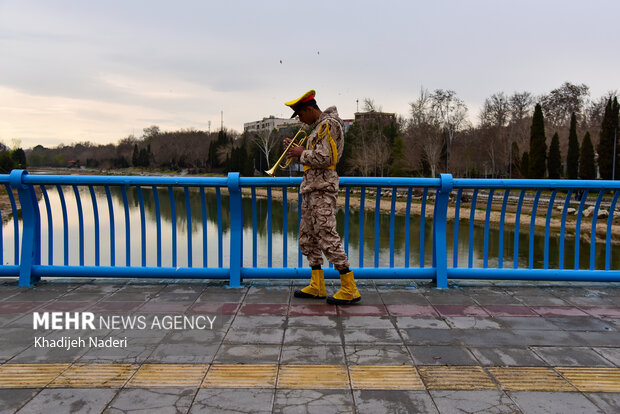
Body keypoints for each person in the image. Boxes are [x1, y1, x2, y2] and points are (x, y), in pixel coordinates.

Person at [283, 89, 361, 305]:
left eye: (300, 115)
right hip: (311, 188)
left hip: (322, 189)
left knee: (327, 235)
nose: (300, 119)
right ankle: (317, 285)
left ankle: (349, 287)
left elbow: (326, 158)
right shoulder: (317, 127)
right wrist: (297, 150)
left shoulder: (329, 125)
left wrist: (302, 153)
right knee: (307, 237)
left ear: (309, 109)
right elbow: (314, 157)